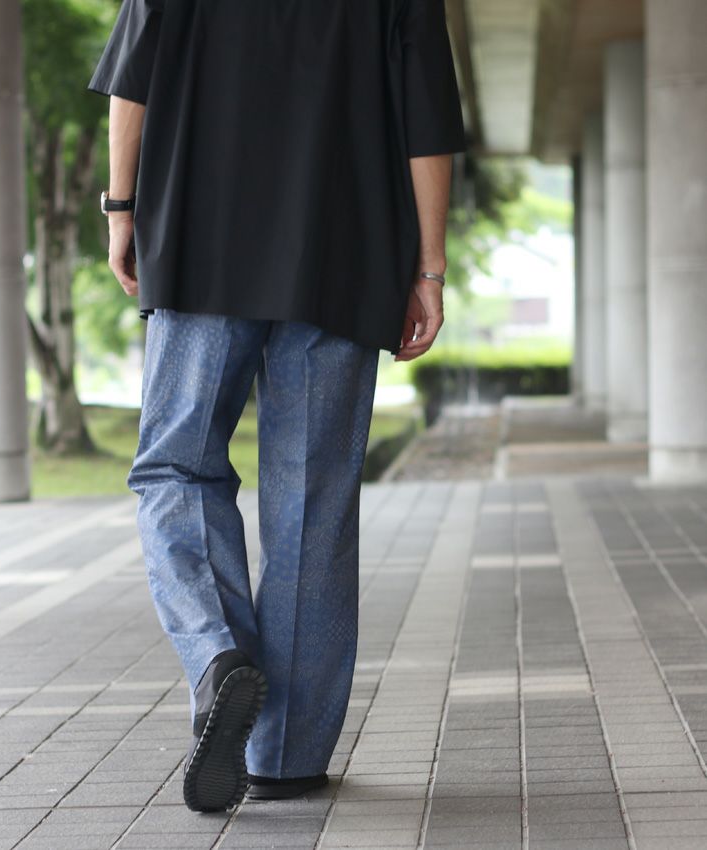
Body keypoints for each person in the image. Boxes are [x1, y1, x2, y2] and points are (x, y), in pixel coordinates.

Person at [87, 0, 466, 813]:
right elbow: (427, 120)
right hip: (345, 250)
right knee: (311, 503)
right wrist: (428, 268)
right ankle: (287, 757)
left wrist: (122, 207)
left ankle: (218, 657)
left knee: (176, 468)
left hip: (200, 241)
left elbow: (132, 80)